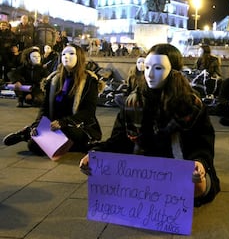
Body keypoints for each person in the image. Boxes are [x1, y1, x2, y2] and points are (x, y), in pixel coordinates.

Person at [78, 43, 220, 207]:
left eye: (158, 68)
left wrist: (199, 163)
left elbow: (203, 142)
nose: (150, 74)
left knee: (201, 185)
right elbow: (119, 139)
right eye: (147, 67)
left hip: (178, 164)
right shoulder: (133, 102)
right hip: (145, 167)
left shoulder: (190, 104)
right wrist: (97, 154)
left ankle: (191, 188)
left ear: (173, 72)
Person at [3, 44, 104, 155]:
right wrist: (38, 124)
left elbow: (88, 111)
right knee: (33, 146)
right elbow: (45, 107)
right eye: (64, 54)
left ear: (79, 57)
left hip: (78, 126)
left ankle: (31, 134)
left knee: (66, 133)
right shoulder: (53, 79)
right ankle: (31, 133)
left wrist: (64, 122)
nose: (66, 57)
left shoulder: (89, 81)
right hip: (54, 124)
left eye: (71, 54)